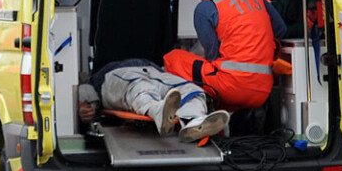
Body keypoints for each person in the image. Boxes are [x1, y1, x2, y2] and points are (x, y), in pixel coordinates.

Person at [164, 0, 287, 112]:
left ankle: (193, 113)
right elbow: (280, 29)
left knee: (173, 58)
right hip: (263, 88)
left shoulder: (205, 8)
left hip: (234, 86)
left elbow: (212, 54)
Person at [78, 59, 229, 142]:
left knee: (192, 90)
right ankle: (158, 111)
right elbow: (84, 88)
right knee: (139, 87)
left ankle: (193, 121)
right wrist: (86, 106)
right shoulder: (97, 77)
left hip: (156, 72)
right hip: (118, 74)